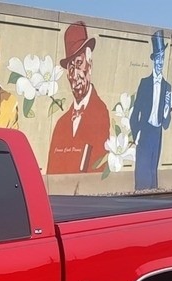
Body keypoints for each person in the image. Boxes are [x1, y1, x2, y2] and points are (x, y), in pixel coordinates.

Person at [46, 21, 110, 175]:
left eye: (79, 63)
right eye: (71, 68)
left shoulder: (100, 113)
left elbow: (97, 172)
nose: (75, 76)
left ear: (90, 64)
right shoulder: (61, 124)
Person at [130, 31, 172, 190]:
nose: (160, 62)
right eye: (158, 58)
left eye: (163, 58)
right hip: (145, 130)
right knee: (142, 169)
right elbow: (136, 111)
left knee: (153, 169)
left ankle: (153, 198)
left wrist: (167, 110)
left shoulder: (167, 87)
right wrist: (136, 133)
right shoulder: (145, 83)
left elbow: (166, 123)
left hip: (157, 132)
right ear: (154, 60)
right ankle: (141, 197)